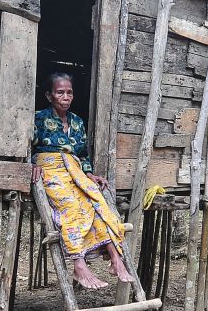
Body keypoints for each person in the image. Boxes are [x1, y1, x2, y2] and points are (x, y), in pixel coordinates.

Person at [32, 72, 136, 289]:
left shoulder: (77, 122)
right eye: (60, 92)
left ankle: (116, 259)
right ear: (49, 95)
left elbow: (81, 154)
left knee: (98, 203)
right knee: (69, 206)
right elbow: (25, 146)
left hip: (75, 170)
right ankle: (79, 265)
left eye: (69, 92)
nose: (66, 96)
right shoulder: (37, 118)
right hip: (50, 169)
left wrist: (89, 173)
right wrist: (30, 166)